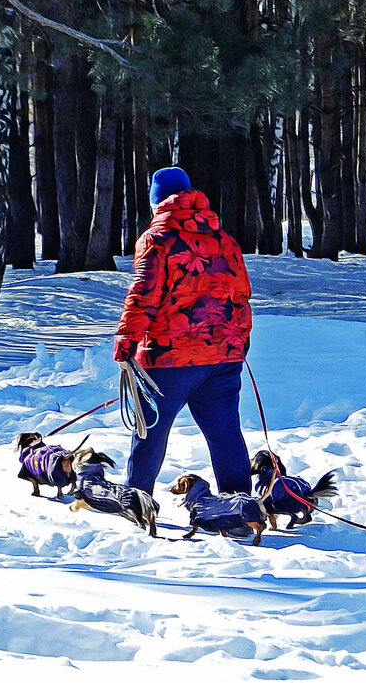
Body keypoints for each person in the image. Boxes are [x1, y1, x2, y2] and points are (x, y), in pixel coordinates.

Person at [114, 166, 253, 495]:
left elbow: (143, 295)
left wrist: (126, 342)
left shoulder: (157, 239)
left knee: (150, 430)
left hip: (169, 356)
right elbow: (241, 296)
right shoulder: (224, 240)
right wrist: (238, 343)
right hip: (222, 356)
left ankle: (136, 499)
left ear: (156, 201)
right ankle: (241, 505)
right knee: (225, 433)